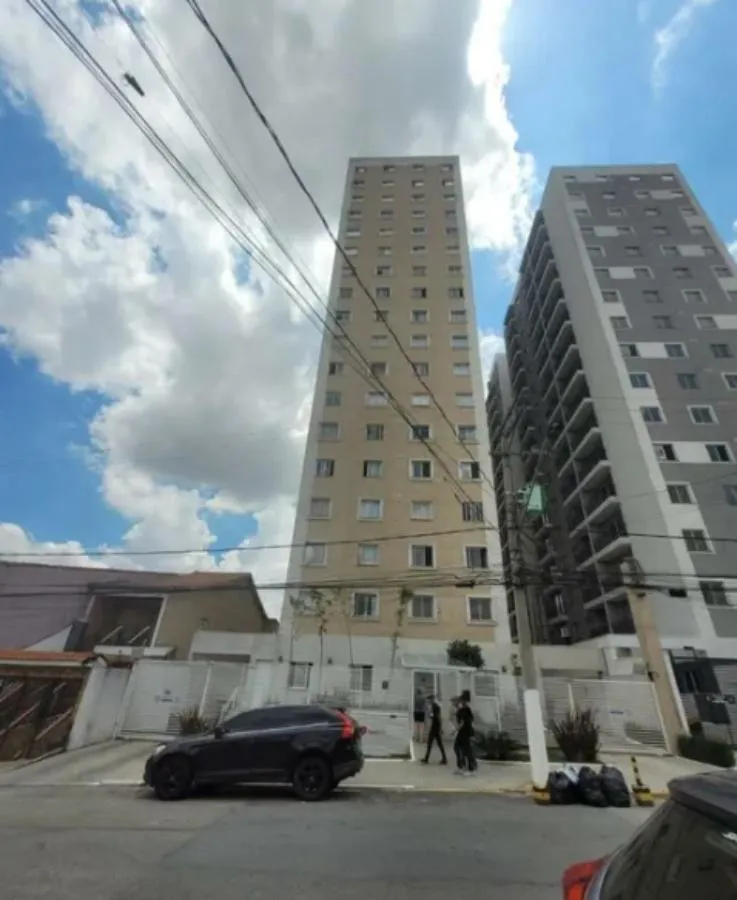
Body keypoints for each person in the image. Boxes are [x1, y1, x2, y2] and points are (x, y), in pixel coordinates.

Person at [453, 690, 477, 775]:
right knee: (461, 749)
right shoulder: (466, 709)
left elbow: (462, 722)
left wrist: (456, 730)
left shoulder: (464, 710)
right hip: (466, 731)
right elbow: (470, 720)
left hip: (464, 732)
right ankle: (464, 766)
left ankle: (469, 768)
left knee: (464, 749)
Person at [421, 693, 447, 765]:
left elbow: (437, 717)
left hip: (435, 727)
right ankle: (444, 758)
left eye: (429, 699)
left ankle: (426, 759)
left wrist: (431, 716)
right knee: (438, 744)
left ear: (432, 699)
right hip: (436, 726)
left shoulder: (435, 706)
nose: (428, 701)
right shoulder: (434, 706)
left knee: (431, 743)